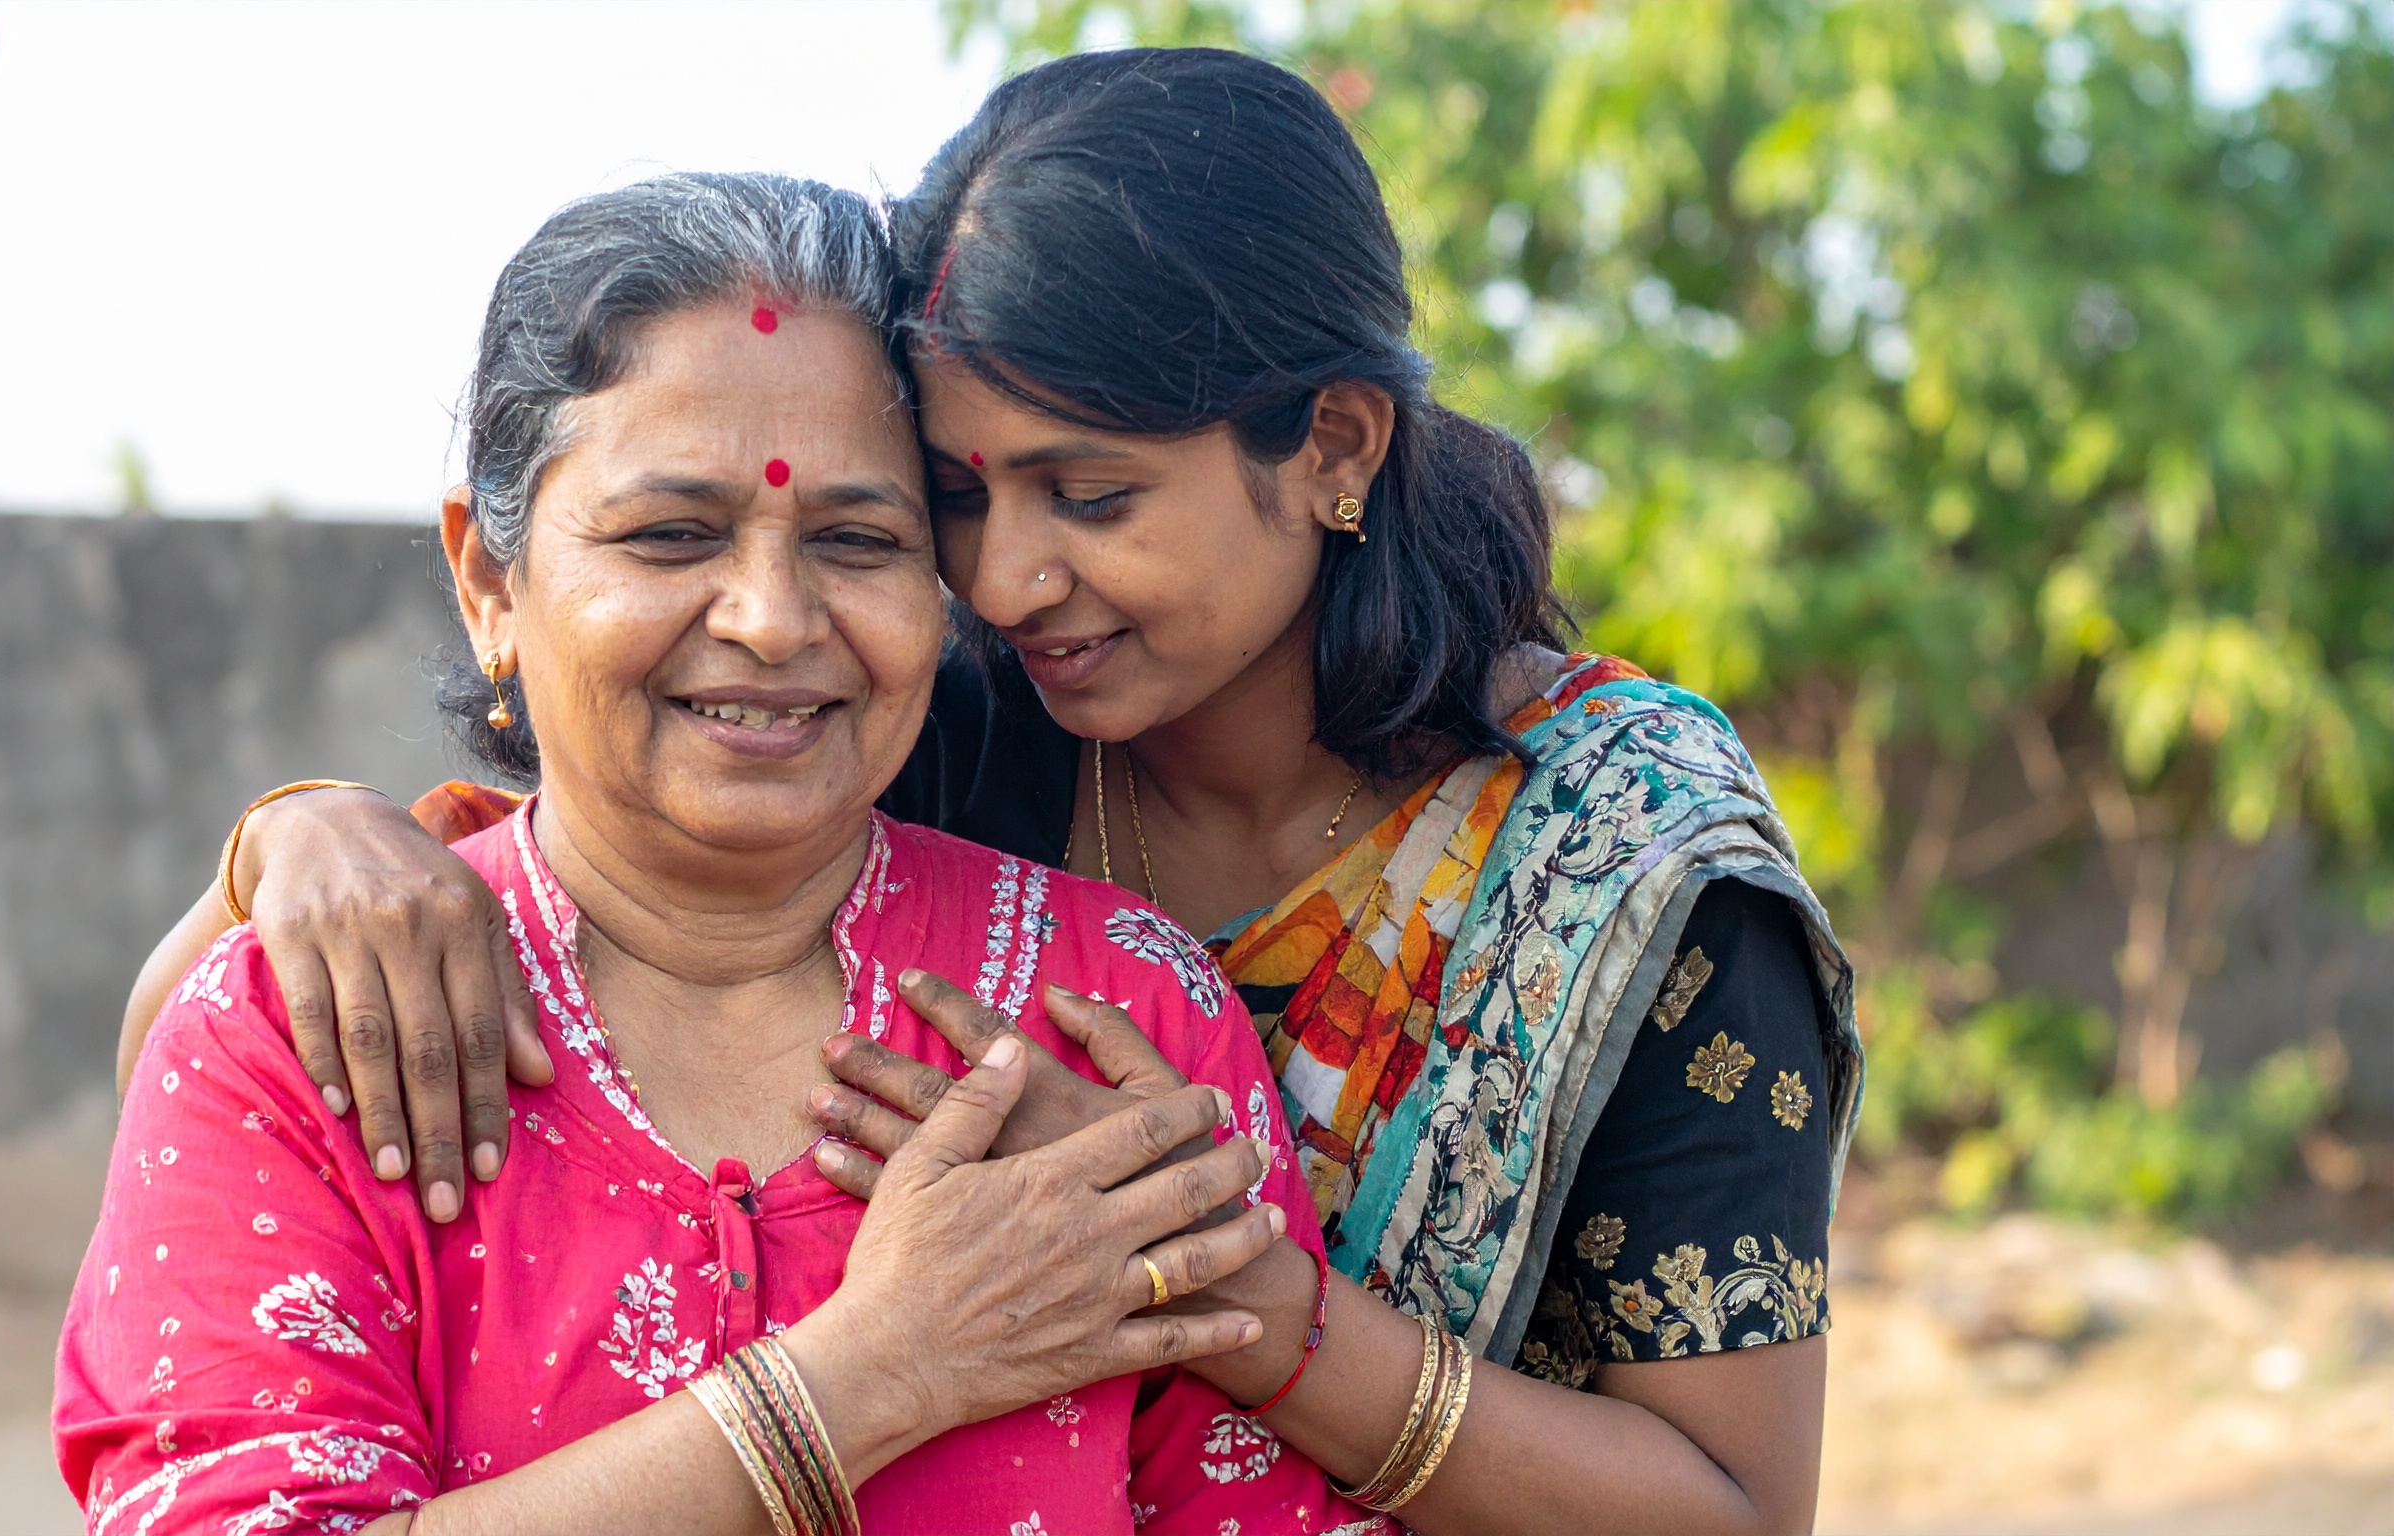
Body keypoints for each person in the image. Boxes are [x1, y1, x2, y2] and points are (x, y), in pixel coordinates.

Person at [122, 49, 1862, 1535]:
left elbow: (1734, 1510)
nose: (1006, 578)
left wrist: (1243, 1301)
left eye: (1088, 496)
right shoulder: (962, 723)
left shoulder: (1623, 869)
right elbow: (234, 1043)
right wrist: (295, 838)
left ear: (1333, 445)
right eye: (956, 497)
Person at [59, 171, 1386, 1536]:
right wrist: (871, 1374)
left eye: (856, 540)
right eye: (672, 534)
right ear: (489, 582)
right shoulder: (302, 1030)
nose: (770, 618)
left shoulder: (1114, 1013)